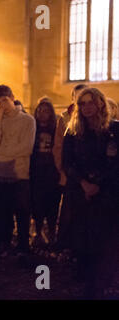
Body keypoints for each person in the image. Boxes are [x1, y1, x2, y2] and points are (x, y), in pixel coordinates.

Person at [62, 87, 119, 298]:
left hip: (107, 193)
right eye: (82, 103)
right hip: (80, 191)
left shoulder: (114, 130)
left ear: (100, 104)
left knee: (105, 238)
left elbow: (114, 163)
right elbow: (67, 162)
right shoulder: (73, 132)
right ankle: (86, 277)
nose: (86, 107)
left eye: (90, 103)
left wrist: (98, 184)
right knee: (83, 236)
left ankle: (104, 281)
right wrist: (84, 183)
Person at [0, 85, 36, 267]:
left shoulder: (27, 120)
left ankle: (23, 249)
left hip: (19, 174)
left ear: (12, 98)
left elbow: (25, 148)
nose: (2, 104)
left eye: (4, 100)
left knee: (21, 213)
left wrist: (0, 153)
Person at [53, 84, 88, 251]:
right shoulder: (64, 118)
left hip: (89, 174)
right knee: (68, 209)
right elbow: (58, 147)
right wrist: (63, 169)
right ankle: (66, 243)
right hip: (70, 173)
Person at [30, 97, 61, 247]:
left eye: (46, 111)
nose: (42, 114)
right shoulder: (32, 128)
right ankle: (38, 231)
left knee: (52, 203)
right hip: (36, 171)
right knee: (37, 203)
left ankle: (52, 232)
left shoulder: (55, 129)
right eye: (40, 110)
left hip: (51, 171)